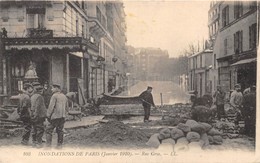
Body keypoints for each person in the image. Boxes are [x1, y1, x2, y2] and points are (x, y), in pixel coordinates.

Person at [46, 84, 69, 148]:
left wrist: (48, 115)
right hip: (62, 117)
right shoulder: (64, 96)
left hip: (55, 117)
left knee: (48, 130)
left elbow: (51, 107)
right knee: (60, 130)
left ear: (57, 88)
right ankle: (59, 145)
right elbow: (67, 108)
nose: (51, 89)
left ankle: (48, 146)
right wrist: (65, 115)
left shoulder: (54, 96)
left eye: (52, 88)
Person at [30, 82, 47, 148]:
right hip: (39, 115)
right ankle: (39, 143)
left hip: (33, 115)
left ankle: (34, 142)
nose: (42, 91)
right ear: (40, 90)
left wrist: (33, 115)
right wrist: (36, 115)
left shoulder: (32, 96)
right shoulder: (39, 97)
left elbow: (32, 107)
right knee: (40, 129)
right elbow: (37, 107)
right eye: (41, 90)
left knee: (34, 129)